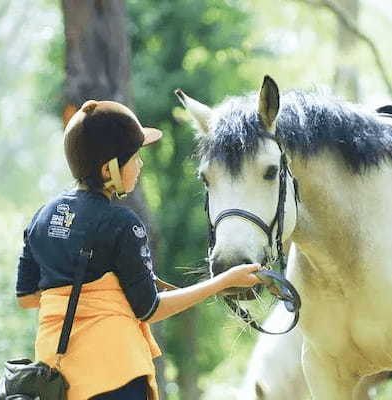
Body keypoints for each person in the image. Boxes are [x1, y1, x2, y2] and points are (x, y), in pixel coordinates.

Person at [15, 100, 261, 400]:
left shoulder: (41, 217)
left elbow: (27, 298)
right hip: (114, 376)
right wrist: (222, 282)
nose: (140, 165)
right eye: (135, 157)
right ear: (110, 170)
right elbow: (149, 309)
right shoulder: (122, 223)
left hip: (57, 380)